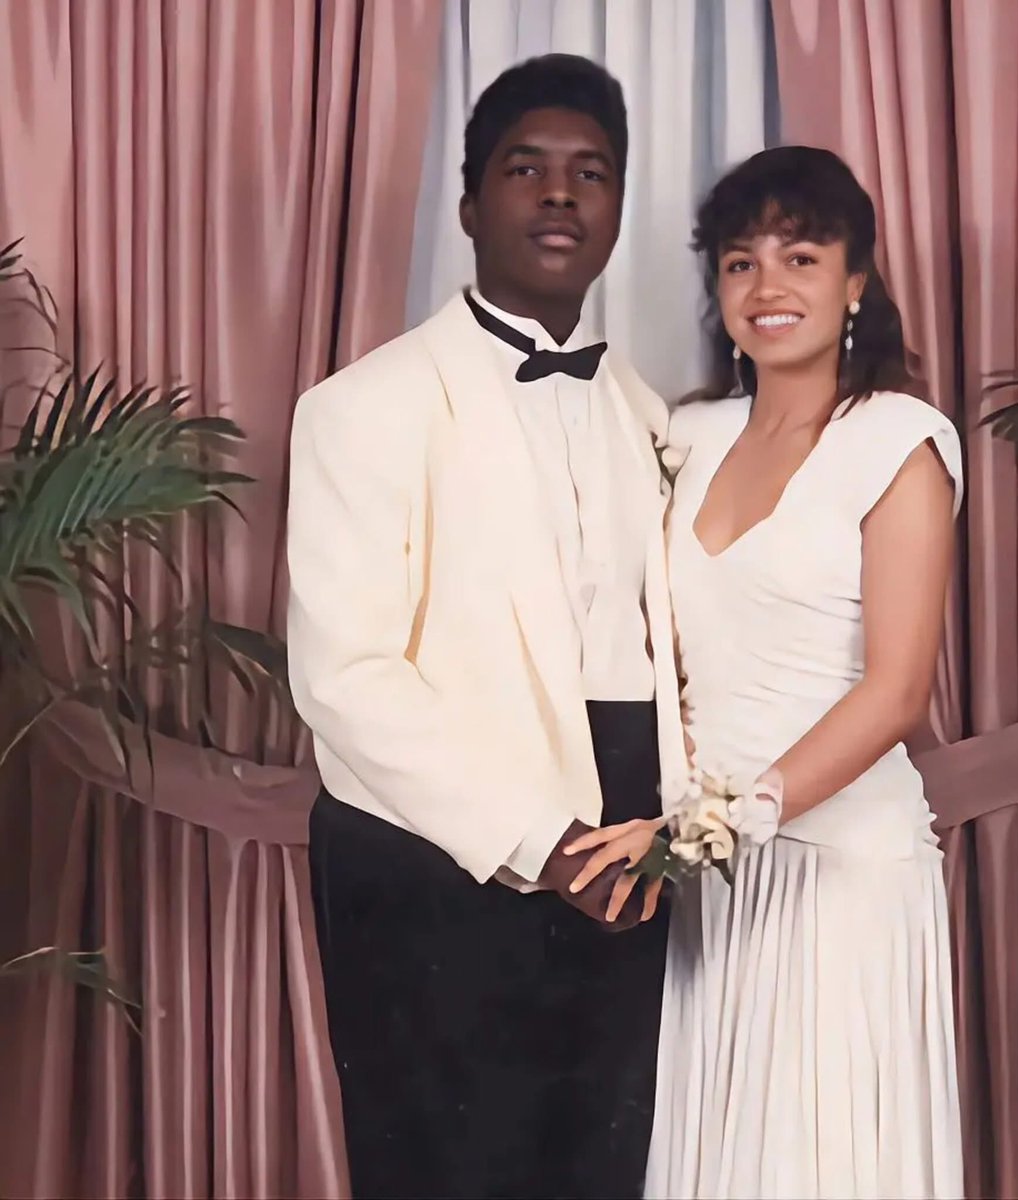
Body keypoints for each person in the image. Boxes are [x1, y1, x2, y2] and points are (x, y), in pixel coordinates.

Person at [285, 54, 687, 1200]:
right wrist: (541, 843)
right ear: (469, 204)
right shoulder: (363, 406)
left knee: (606, 1168)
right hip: (435, 849)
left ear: (615, 210)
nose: (561, 195)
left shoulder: (649, 413)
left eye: (591, 173)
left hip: (626, 836)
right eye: (528, 168)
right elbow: (344, 676)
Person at [566, 146, 965, 1198]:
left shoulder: (899, 441)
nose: (768, 285)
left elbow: (896, 691)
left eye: (800, 254)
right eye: (740, 263)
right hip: (706, 881)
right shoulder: (685, 435)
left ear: (857, 281)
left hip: (837, 871)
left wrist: (720, 824)